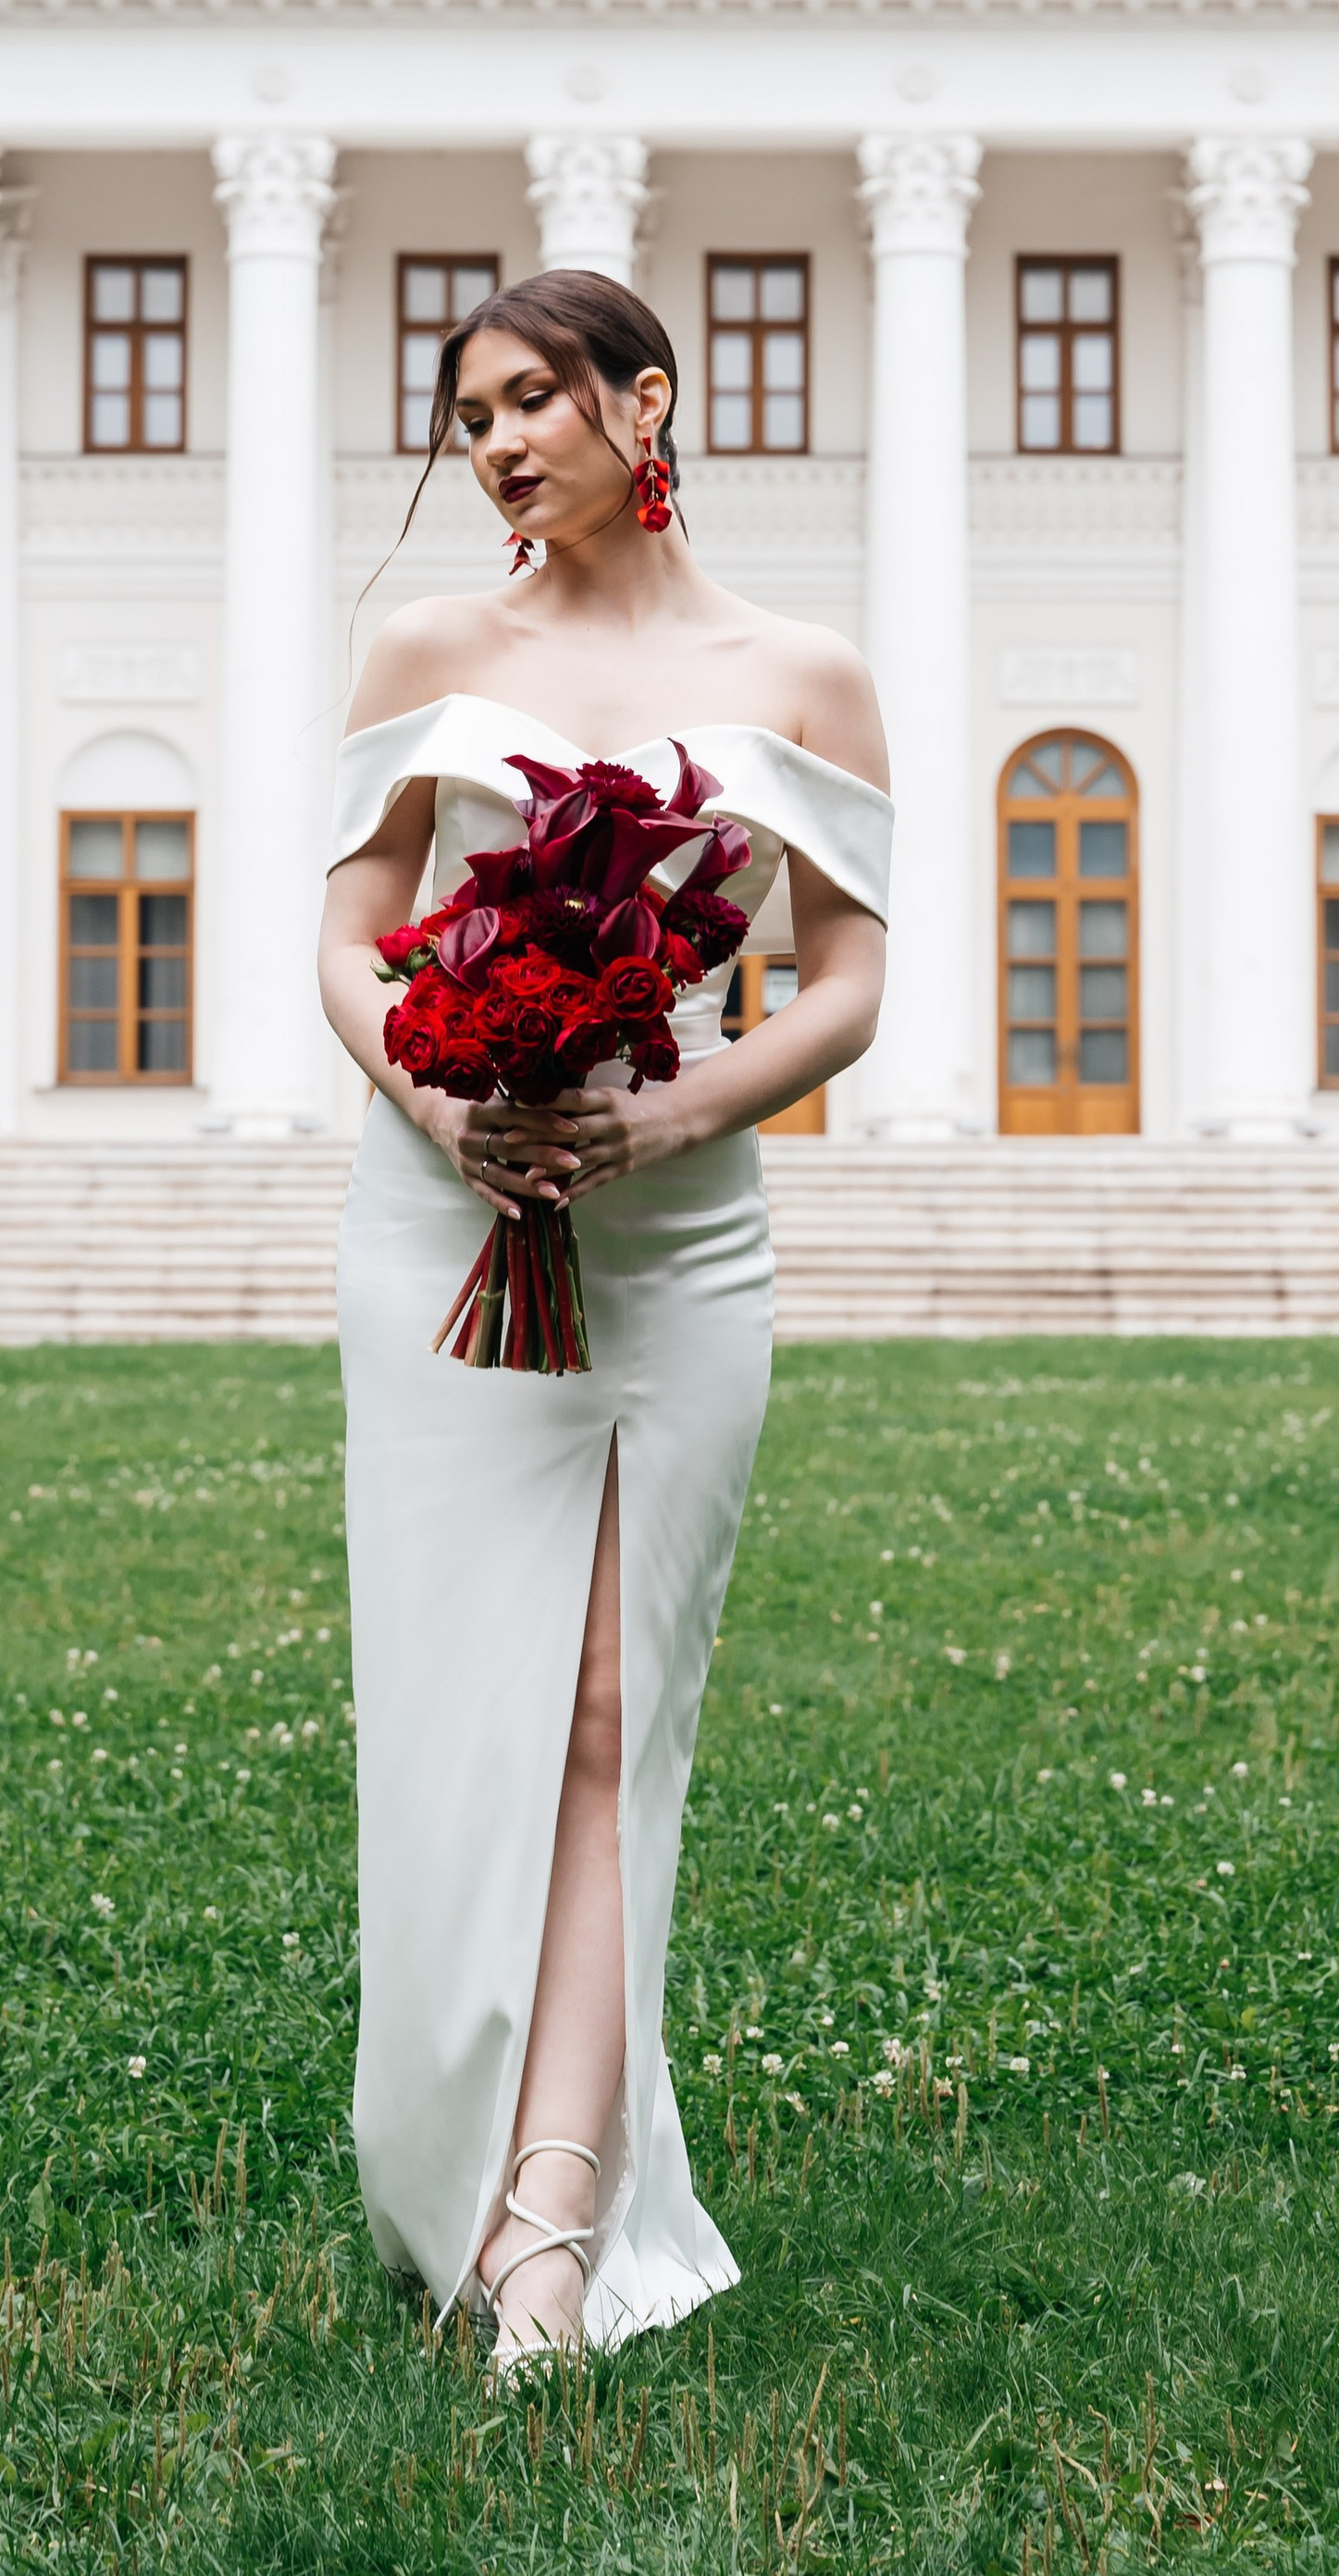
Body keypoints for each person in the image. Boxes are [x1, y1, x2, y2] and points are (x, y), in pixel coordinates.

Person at [317, 268, 891, 2374]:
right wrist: (443, 1095)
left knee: (604, 1716)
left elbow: (839, 979)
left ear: (644, 404)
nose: (493, 443)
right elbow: (353, 933)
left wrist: (669, 1111)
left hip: (678, 1232)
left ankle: (554, 2217)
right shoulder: (427, 649)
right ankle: (442, 2153)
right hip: (437, 1214)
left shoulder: (799, 672)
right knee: (463, 1707)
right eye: (465, 415)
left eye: (529, 400)